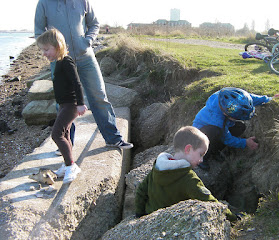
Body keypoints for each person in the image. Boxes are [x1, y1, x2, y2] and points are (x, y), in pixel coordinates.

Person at [34, 0, 133, 151]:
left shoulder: (83, 1)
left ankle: (113, 138)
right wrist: (50, 51)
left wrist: (87, 41)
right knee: (63, 102)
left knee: (99, 96)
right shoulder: (44, 3)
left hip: (85, 57)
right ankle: (66, 144)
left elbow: (94, 24)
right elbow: (39, 31)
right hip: (59, 60)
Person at [135, 126, 237, 222]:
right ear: (188, 149)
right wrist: (233, 218)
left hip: (150, 216)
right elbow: (209, 201)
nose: (201, 160)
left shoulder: (157, 168)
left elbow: (141, 191)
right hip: (171, 222)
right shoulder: (189, 179)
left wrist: (140, 215)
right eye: (201, 154)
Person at [36, 29, 87, 183]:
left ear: (58, 46)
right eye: (42, 50)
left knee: (56, 134)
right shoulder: (58, 62)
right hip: (64, 105)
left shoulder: (66, 61)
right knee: (64, 134)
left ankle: (71, 166)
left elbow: (77, 83)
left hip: (71, 105)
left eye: (46, 49)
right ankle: (68, 164)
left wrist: (80, 104)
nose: (44, 53)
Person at [193, 87, 279, 170]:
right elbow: (227, 139)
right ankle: (202, 156)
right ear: (227, 114)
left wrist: (268, 99)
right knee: (215, 132)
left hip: (219, 126)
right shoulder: (217, 120)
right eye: (236, 118)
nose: (237, 120)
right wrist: (245, 142)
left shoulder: (231, 99)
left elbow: (249, 99)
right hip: (200, 133)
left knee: (240, 127)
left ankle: (214, 151)